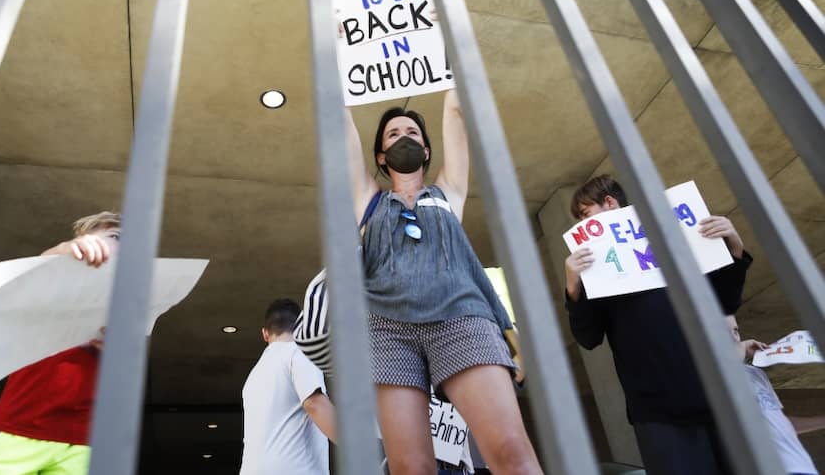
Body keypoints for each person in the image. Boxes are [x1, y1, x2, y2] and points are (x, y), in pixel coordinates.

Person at [345, 89, 542, 475]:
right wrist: (340, 76)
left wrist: (448, 61)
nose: (403, 137)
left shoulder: (448, 191)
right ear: (381, 156)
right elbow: (340, 126)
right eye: (393, 134)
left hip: (461, 318)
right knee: (410, 467)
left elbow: (455, 111)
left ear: (426, 150)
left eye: (412, 132)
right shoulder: (368, 200)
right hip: (388, 332)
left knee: (510, 451)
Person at [563, 175, 752, 475]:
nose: (583, 227)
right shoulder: (598, 272)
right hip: (658, 412)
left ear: (609, 203)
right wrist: (574, 287)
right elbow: (588, 337)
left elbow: (726, 302)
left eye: (586, 215)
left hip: (719, 395)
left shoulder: (675, 242)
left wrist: (734, 246)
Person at [0, 211, 121, 475]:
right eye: (116, 236)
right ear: (85, 236)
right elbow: (25, 278)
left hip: (84, 438)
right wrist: (64, 250)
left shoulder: (124, 306)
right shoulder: (51, 281)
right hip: (21, 428)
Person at [240, 298, 336, 475]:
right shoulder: (299, 353)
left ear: (265, 334)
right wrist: (359, 446)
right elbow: (314, 404)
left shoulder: (252, 378)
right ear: (300, 328)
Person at [725, 315, 823, 475]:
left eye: (735, 331)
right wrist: (740, 350)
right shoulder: (709, 376)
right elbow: (723, 371)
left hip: (802, 468)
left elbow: (781, 424)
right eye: (723, 331)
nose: (734, 338)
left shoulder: (756, 374)